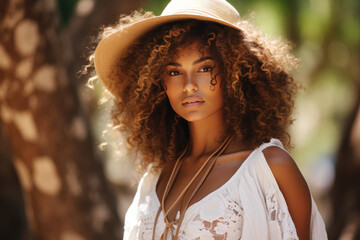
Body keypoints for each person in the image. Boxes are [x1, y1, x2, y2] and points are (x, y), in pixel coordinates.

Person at [92, 0, 328, 239]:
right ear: (160, 83)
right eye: (174, 72)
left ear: (234, 71)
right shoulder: (154, 179)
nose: (189, 85)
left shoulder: (270, 169)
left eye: (204, 68)